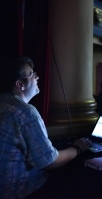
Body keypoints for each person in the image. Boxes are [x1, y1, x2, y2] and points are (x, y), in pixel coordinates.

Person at [0, 56, 91, 198]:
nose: (36, 77)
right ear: (20, 85)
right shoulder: (25, 112)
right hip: (17, 190)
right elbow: (50, 162)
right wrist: (77, 148)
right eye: (31, 74)